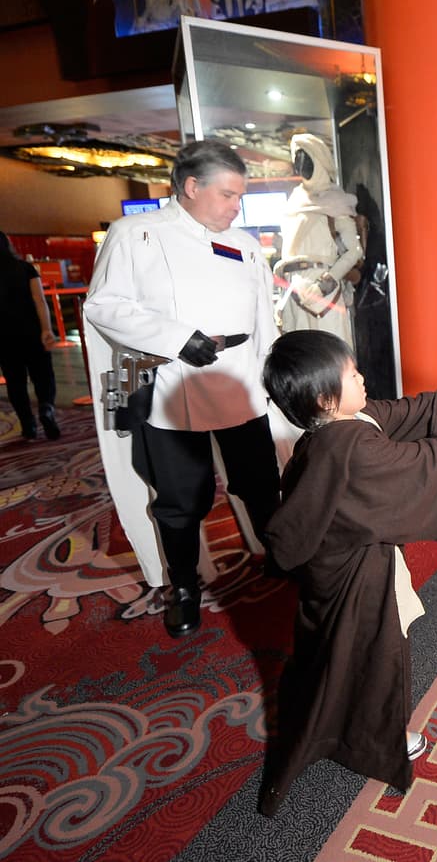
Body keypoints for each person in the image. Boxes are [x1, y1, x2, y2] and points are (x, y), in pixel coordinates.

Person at [255, 329, 437, 817]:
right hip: (358, 584)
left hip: (334, 576)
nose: (363, 377)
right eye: (352, 374)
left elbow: (397, 414)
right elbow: (417, 467)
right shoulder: (350, 448)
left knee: (333, 661)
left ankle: (336, 727)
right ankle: (377, 740)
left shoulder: (333, 429)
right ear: (326, 396)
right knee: (377, 656)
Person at [84, 139, 281, 638]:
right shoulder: (136, 233)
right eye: (229, 195)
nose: (237, 207)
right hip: (171, 388)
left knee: (260, 484)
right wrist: (177, 339)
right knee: (180, 500)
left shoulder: (245, 244)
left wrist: (274, 371)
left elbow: (263, 318)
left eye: (240, 197)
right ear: (191, 187)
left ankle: (282, 556)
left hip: (241, 385)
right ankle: (185, 588)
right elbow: (104, 306)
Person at [275, 133, 364, 351]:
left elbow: (354, 251)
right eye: (296, 157)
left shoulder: (334, 198)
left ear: (319, 159)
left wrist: (326, 282)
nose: (299, 164)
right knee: (299, 358)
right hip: (293, 288)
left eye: (305, 157)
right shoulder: (294, 200)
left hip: (322, 289)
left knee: (331, 355)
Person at [0, 231, 60, 440]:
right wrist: (46, 329)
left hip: (4, 337)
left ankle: (28, 425)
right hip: (32, 332)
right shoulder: (25, 268)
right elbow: (40, 301)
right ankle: (46, 409)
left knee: (15, 381)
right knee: (43, 375)